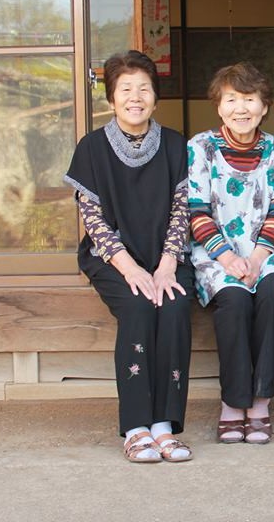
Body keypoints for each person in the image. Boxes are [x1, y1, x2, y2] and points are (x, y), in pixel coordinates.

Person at [65, 50, 194, 463]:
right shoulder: (92, 148)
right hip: (112, 257)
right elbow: (93, 220)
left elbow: (182, 209)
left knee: (172, 305)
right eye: (126, 89)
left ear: (156, 97)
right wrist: (131, 268)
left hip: (166, 255)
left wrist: (167, 264)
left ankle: (165, 426)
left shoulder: (175, 144)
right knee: (138, 306)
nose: (135, 97)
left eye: (144, 89)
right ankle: (137, 427)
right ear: (111, 99)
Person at [188, 62, 274, 445]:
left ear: (264, 106)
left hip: (265, 250)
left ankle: (261, 399)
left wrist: (259, 258)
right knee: (233, 301)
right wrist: (230, 259)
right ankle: (234, 403)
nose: (241, 108)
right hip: (216, 253)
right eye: (232, 99)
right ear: (219, 106)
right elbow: (196, 210)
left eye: (250, 99)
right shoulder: (200, 147)